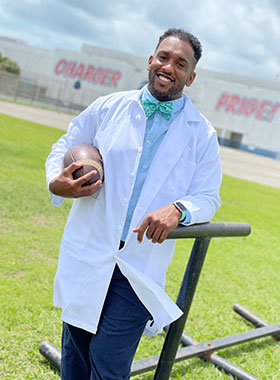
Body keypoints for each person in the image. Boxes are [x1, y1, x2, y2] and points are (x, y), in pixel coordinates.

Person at [45, 28, 222, 380]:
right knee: (76, 352)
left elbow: (208, 196)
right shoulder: (109, 107)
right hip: (90, 251)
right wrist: (57, 181)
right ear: (150, 60)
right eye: (163, 57)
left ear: (191, 76)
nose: (168, 66)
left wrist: (179, 209)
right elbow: (65, 145)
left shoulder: (201, 134)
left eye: (180, 63)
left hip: (138, 266)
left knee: (109, 359)